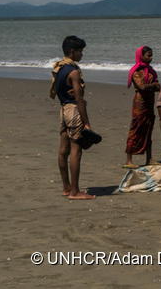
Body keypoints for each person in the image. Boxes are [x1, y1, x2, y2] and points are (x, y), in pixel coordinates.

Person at [53, 35, 95, 200]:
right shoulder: (73, 72)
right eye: (80, 51)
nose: (81, 55)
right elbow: (78, 99)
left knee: (63, 150)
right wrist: (87, 123)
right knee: (76, 151)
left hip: (63, 110)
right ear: (73, 51)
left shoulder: (59, 68)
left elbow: (58, 91)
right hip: (74, 110)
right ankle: (75, 192)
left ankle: (66, 188)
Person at [124, 46, 160, 168]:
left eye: (151, 55)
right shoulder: (135, 71)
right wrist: (153, 85)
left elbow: (157, 86)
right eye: (148, 55)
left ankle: (149, 158)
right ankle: (128, 160)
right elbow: (142, 87)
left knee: (148, 128)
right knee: (135, 128)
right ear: (141, 56)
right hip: (140, 103)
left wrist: (151, 86)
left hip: (149, 103)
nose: (151, 58)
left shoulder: (151, 71)